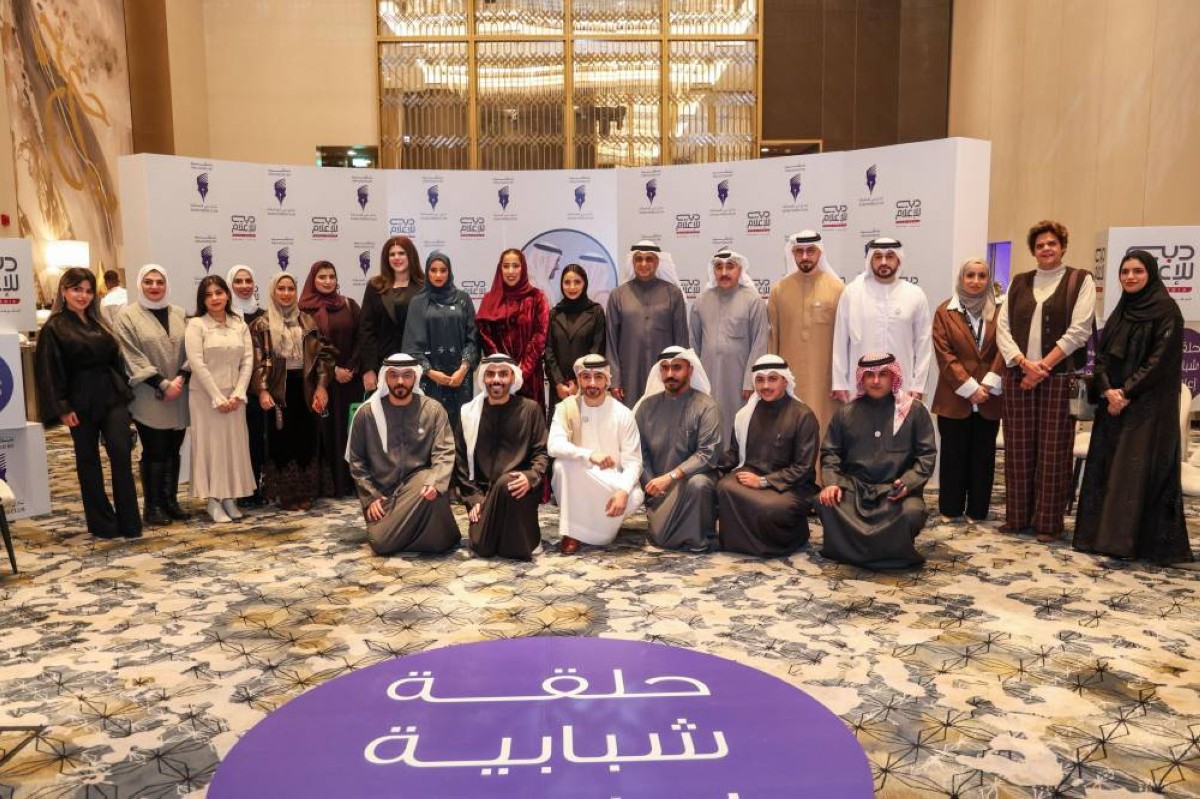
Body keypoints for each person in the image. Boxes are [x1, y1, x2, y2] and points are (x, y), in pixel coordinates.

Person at [1074, 251, 1193, 564]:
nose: (1130, 277)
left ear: (1150, 273)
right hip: (1113, 405)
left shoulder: (1167, 311)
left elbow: (1159, 361)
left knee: (1134, 475)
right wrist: (1107, 390)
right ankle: (1100, 537)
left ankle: (1129, 543)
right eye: (1125, 271)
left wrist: (1126, 392)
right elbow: (1101, 357)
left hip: (1148, 408)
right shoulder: (1121, 311)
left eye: (1137, 271)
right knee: (1108, 469)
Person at [996, 220, 1095, 542]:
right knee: (1018, 449)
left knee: (1054, 452)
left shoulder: (1080, 280)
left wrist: (1042, 367)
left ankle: (1048, 524)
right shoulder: (1019, 282)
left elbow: (1079, 331)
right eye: (1040, 245)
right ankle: (1017, 518)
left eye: (1052, 243)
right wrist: (1024, 364)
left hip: (1060, 378)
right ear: (1033, 250)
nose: (1046, 249)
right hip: (1018, 376)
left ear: (1062, 246)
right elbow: (1003, 329)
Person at [35, 267, 141, 539]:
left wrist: (125, 392)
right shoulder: (54, 327)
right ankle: (102, 523)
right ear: (63, 291)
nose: (83, 296)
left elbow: (116, 361)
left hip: (111, 395)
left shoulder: (99, 322)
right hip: (78, 400)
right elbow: (48, 370)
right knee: (88, 460)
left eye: (88, 290)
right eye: (76, 289)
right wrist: (62, 407)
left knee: (121, 452)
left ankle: (129, 521)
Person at [817, 353, 936, 569]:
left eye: (883, 374)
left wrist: (908, 482)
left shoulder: (914, 411)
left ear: (893, 376)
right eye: (869, 375)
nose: (876, 381)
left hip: (894, 492)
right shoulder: (845, 413)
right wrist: (832, 482)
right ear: (861, 378)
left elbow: (926, 455)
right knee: (826, 502)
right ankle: (875, 552)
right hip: (854, 490)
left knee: (912, 513)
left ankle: (859, 551)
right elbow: (830, 453)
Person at [346, 353, 460, 555]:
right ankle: (430, 532)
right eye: (393, 375)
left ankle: (418, 532)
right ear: (385, 377)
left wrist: (435, 481)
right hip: (384, 498)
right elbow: (357, 462)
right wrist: (371, 496)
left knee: (427, 480)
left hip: (421, 490)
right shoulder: (366, 414)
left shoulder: (433, 411)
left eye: (407, 375)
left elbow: (444, 451)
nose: (400, 381)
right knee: (380, 542)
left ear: (415, 377)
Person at [717, 355, 819, 557]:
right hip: (750, 475)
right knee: (725, 487)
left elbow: (804, 467)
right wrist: (710, 461)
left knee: (770, 506)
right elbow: (735, 455)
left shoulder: (803, 415)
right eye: (760, 380)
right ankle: (738, 544)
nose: (765, 386)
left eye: (772, 379)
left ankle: (787, 542)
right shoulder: (744, 415)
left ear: (785, 381)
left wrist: (763, 482)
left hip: (791, 484)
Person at [113, 264, 191, 527]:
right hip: (148, 394)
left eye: (160, 282)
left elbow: (193, 349)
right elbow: (130, 355)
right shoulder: (127, 317)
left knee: (173, 449)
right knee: (155, 450)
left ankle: (170, 501)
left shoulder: (179, 313)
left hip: (179, 393)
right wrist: (161, 384)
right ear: (139, 284)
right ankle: (153, 507)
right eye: (148, 282)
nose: (155, 287)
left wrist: (179, 379)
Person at [250, 272, 333, 511]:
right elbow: (256, 361)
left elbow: (323, 356)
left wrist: (321, 386)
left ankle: (305, 492)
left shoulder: (307, 321)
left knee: (306, 440)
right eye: (281, 289)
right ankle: (286, 494)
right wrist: (262, 390)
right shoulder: (261, 324)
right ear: (272, 291)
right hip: (278, 390)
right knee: (282, 442)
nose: (286, 293)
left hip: (305, 387)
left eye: (290, 289)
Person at [930, 257, 1004, 522]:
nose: (976, 281)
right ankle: (950, 508)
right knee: (954, 454)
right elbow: (944, 355)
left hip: (990, 396)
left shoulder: (1001, 310)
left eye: (982, 276)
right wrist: (970, 388)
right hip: (954, 396)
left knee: (983, 456)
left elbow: (1005, 349)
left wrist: (988, 384)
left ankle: (977, 510)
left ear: (988, 279)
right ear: (961, 279)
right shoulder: (944, 311)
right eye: (970, 275)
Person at [455, 353, 549, 560]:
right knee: (481, 547)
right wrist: (474, 498)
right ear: (483, 378)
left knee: (508, 483)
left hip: (518, 490)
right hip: (483, 494)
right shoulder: (469, 414)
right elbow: (461, 463)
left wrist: (530, 477)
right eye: (490, 374)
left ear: (512, 378)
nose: (496, 379)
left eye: (503, 374)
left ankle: (521, 539)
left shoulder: (530, 409)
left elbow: (541, 453)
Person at [548, 354, 643, 554]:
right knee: (561, 466)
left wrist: (623, 491)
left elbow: (634, 462)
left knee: (634, 496)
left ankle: (602, 526)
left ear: (607, 380)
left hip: (610, 482)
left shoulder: (623, 414)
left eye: (598, 377)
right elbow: (554, 445)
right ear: (579, 380)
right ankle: (572, 532)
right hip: (579, 477)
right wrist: (590, 455)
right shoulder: (566, 408)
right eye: (586, 377)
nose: (592, 383)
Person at [184, 275, 257, 523]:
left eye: (219, 292)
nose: (215, 298)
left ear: (227, 294)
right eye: (208, 295)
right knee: (212, 448)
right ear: (202, 300)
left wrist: (238, 393)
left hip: (235, 398)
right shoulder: (196, 325)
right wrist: (217, 397)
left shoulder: (239, 324)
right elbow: (197, 363)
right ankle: (213, 500)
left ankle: (229, 498)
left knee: (233, 448)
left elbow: (248, 361)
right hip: (205, 399)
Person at [634, 346, 721, 552]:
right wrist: (652, 485)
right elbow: (639, 453)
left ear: (690, 370)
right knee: (662, 538)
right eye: (664, 368)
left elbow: (708, 454)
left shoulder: (706, 406)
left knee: (699, 484)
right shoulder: (646, 408)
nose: (670, 374)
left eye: (676, 368)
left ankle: (698, 539)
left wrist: (671, 477)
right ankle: (678, 527)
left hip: (692, 481)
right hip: (659, 487)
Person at [832, 238, 932, 402]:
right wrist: (839, 382)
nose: (884, 262)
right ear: (870, 260)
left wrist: (918, 385)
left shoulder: (915, 294)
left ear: (899, 260)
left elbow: (923, 345)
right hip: (861, 385)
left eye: (890, 256)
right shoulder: (852, 293)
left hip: (903, 386)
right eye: (878, 256)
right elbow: (840, 341)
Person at [768, 230, 845, 436]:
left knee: (823, 429)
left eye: (810, 251)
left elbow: (844, 340)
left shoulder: (837, 289)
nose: (804, 256)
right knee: (788, 430)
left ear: (820, 252)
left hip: (825, 381)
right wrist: (773, 377)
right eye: (798, 251)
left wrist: (841, 380)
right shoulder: (779, 290)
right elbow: (773, 339)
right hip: (788, 379)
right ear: (792, 253)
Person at [690, 249, 770, 440]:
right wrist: (695, 380)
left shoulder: (753, 300)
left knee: (738, 423)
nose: (724, 272)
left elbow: (759, 343)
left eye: (730, 267)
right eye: (719, 267)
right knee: (709, 421)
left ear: (739, 270)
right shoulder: (701, 301)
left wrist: (751, 380)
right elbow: (693, 343)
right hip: (708, 377)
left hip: (739, 379)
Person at [299, 260, 363, 497]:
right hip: (321, 382)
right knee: (324, 432)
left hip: (350, 381)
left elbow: (362, 338)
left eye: (331, 277)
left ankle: (350, 482)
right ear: (312, 280)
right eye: (322, 277)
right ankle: (328, 486)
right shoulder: (304, 311)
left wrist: (351, 368)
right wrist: (333, 370)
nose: (327, 281)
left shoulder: (349, 304)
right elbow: (308, 346)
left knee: (350, 431)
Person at [402, 251, 478, 435]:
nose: (438, 275)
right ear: (427, 272)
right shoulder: (418, 302)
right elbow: (411, 345)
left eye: (443, 270)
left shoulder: (463, 299)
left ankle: (460, 456)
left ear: (449, 272)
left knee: (461, 429)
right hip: (430, 379)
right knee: (431, 428)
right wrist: (431, 372)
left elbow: (473, 338)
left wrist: (463, 369)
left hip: (460, 378)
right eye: (433, 270)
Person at [606, 241, 689, 407]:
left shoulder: (673, 294)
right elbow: (611, 342)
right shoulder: (618, 296)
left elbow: (681, 340)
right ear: (632, 262)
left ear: (657, 262)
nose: (643, 264)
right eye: (638, 259)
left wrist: (680, 376)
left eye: (649, 259)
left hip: (665, 374)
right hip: (629, 375)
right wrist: (615, 380)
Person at [475, 248, 550, 415]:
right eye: (506, 266)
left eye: (515, 266)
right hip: (498, 378)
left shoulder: (537, 298)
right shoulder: (489, 299)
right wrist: (503, 369)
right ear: (500, 269)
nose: (510, 271)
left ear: (523, 268)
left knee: (529, 422)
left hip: (529, 378)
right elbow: (484, 334)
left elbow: (540, 336)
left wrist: (520, 372)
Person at [360, 235, 423, 392]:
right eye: (392, 254)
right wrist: (368, 369)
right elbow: (366, 330)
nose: (396, 258)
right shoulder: (375, 286)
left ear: (410, 255)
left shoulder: (424, 287)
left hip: (417, 365)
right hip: (382, 365)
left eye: (401, 253)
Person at [228, 264, 268, 507]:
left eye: (248, 281)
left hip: (259, 389)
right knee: (234, 441)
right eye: (238, 281)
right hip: (232, 388)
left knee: (256, 439)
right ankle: (236, 489)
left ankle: (255, 488)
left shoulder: (264, 315)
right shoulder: (225, 316)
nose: (244, 286)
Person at [545, 264, 606, 416]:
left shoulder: (596, 312)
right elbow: (549, 351)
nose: (572, 287)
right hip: (559, 390)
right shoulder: (554, 313)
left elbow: (597, 350)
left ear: (585, 283)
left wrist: (579, 382)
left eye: (577, 282)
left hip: (587, 387)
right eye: (567, 282)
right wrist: (558, 383)